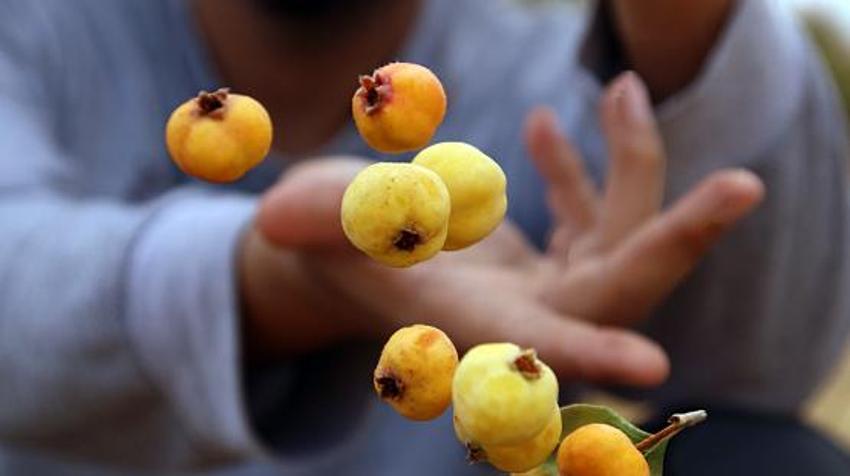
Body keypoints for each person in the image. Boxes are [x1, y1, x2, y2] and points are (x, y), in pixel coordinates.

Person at [0, 0, 848, 474]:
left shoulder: (551, 74)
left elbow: (764, 374)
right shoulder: (38, 28)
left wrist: (685, 40)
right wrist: (270, 285)